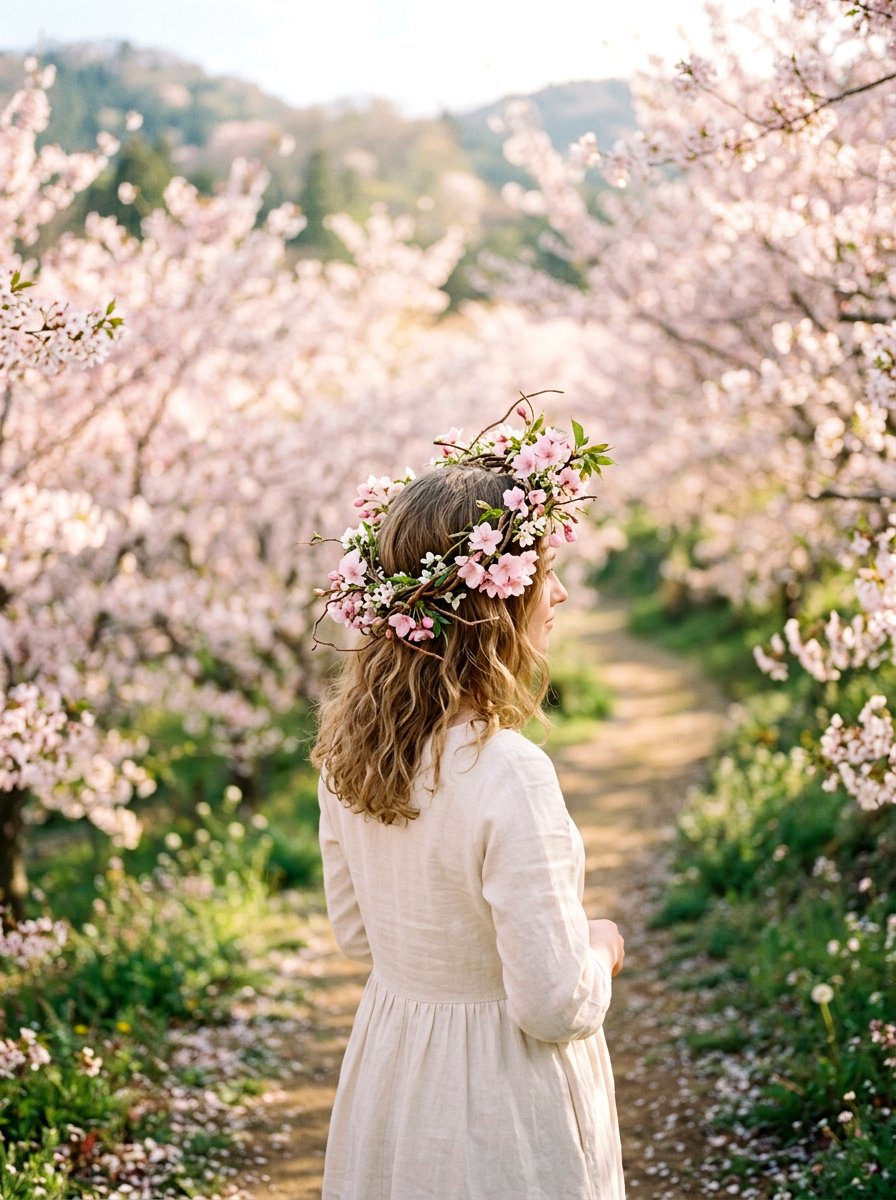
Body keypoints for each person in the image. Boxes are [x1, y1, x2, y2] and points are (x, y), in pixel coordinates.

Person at [311, 402, 626, 1199]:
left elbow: (357, 936)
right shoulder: (508, 771)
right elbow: (554, 1004)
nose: (555, 596)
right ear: (494, 602)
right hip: (502, 1104)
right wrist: (601, 947)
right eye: (542, 574)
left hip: (395, 1072)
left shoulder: (348, 759)